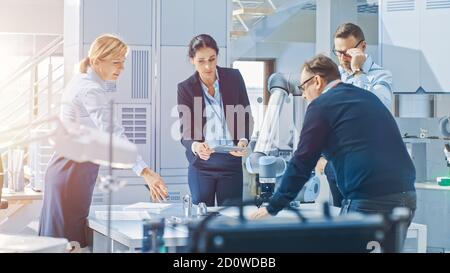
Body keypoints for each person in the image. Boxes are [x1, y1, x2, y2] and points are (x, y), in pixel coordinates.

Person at [251, 55, 416, 252]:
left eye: (303, 87)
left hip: (369, 199)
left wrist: (273, 207)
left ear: (318, 81)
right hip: (406, 195)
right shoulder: (366, 96)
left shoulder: (321, 106)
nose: (303, 95)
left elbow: (302, 163)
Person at [39, 34, 168, 247]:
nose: (122, 68)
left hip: (69, 171)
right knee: (68, 245)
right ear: (98, 61)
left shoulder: (81, 80)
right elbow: (113, 135)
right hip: (72, 172)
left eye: (123, 62)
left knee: (60, 243)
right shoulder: (90, 89)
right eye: (116, 62)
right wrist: (145, 172)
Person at [318, 22, 395, 206]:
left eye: (348, 52)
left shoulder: (380, 76)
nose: (342, 58)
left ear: (362, 47)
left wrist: (358, 71)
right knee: (342, 226)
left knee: (363, 224)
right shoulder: (338, 78)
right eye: (338, 52)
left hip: (366, 168)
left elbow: (376, 109)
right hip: (337, 165)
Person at [177, 34, 254, 206]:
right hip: (202, 165)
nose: (207, 66)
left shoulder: (234, 78)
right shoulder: (186, 88)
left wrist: (243, 140)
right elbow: (186, 130)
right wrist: (196, 146)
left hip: (231, 162)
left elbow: (246, 117)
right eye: (201, 61)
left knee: (232, 218)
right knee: (203, 220)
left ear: (217, 56)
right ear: (192, 60)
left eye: (212, 59)